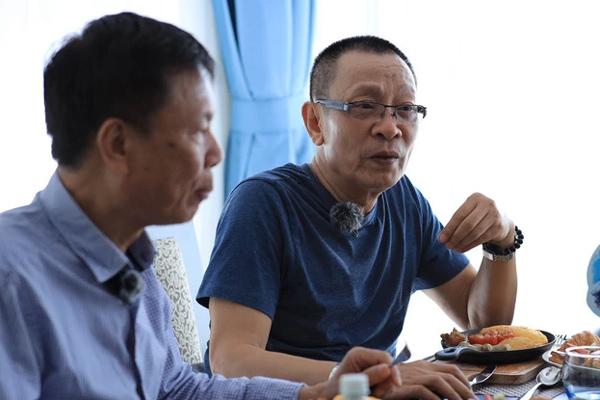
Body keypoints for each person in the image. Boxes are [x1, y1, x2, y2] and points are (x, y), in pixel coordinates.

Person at [0, 14, 429, 400]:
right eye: (198, 130)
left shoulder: (132, 261)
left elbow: (178, 389)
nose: (216, 153)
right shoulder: (12, 278)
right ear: (118, 144)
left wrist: (313, 395)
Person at [198, 35, 519, 395]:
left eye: (405, 109)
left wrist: (503, 240)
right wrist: (360, 378)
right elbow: (231, 360)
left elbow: (483, 324)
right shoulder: (264, 203)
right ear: (315, 122)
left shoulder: (403, 201)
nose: (390, 127)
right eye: (365, 106)